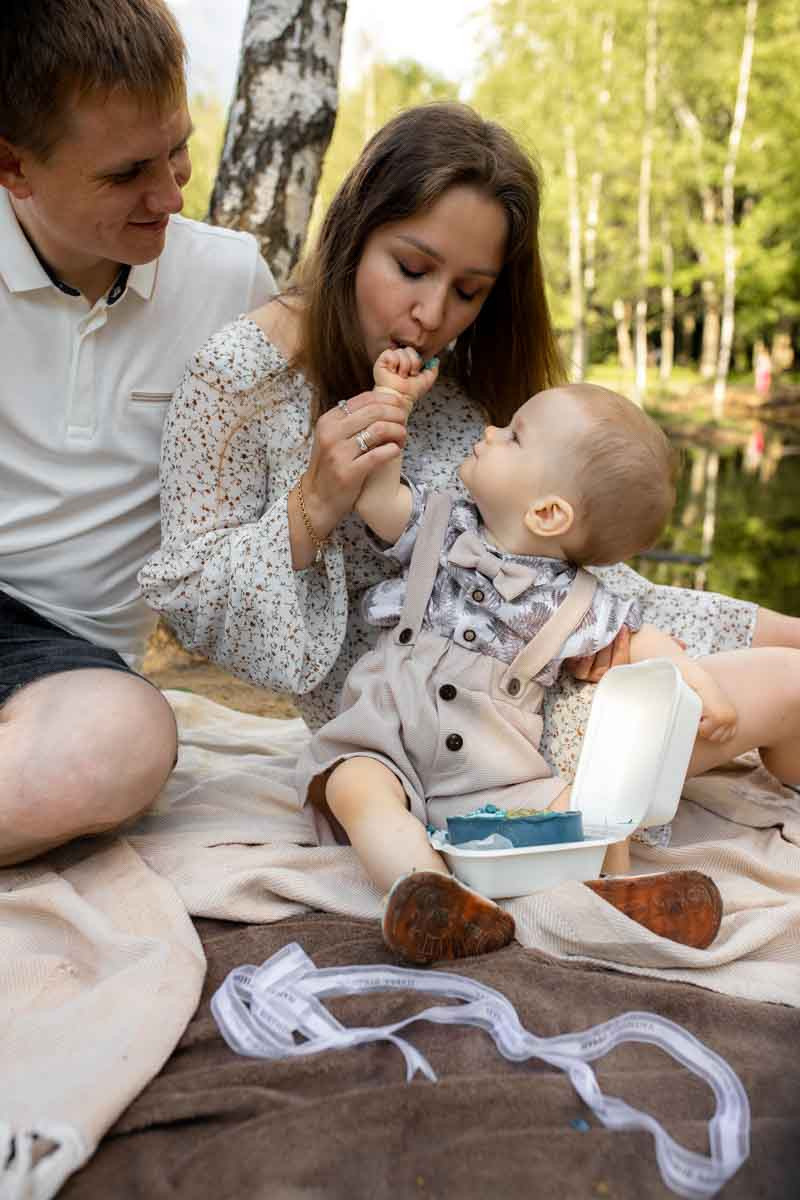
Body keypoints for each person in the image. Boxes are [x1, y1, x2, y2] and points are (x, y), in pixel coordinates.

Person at [140, 102, 800, 941]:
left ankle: (615, 882)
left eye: (469, 292)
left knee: (776, 663)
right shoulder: (242, 376)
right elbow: (195, 602)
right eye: (411, 267)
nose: (433, 314)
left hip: (527, 696)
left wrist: (773, 626)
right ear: (354, 228)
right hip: (397, 734)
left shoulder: (454, 392)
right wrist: (313, 505)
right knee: (764, 693)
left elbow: (570, 587)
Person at [294, 352, 800, 962]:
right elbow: (377, 493)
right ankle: (432, 895)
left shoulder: (578, 601)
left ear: (547, 512)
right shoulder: (438, 526)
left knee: (583, 813)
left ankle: (620, 895)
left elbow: (644, 643)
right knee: (356, 789)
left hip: (494, 765)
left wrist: (704, 691)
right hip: (385, 733)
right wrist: (391, 401)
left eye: (512, 437)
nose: (488, 433)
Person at [0, 0, 276, 865]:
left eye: (179, 148)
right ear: (14, 166)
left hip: (67, 661)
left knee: (123, 745)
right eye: (124, 174)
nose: (170, 193)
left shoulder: (234, 283)